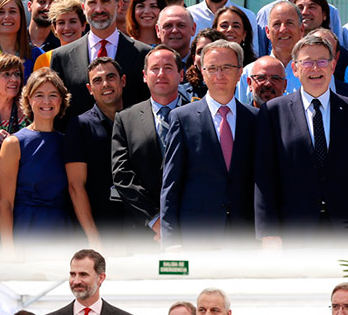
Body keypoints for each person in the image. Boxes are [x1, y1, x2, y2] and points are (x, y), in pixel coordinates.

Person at [254, 34, 348, 242]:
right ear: (294, 69)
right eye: (307, 62)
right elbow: (265, 177)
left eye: (322, 61)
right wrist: (268, 233)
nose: (315, 68)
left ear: (332, 66)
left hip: (347, 232)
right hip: (292, 232)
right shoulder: (273, 112)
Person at [160, 40, 257, 243]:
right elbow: (171, 184)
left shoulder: (255, 119)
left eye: (226, 67)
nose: (219, 75)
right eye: (212, 68)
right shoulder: (182, 118)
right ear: (202, 72)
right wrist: (170, 241)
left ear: (240, 72)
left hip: (245, 234)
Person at [50, 0, 149, 120]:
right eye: (92, 3)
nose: (98, 9)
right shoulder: (62, 57)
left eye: (105, 1)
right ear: (84, 8)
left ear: (119, 5)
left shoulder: (143, 54)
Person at [112, 45, 185, 238]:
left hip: (190, 227)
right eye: (155, 68)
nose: (161, 74)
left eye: (168, 67)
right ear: (145, 76)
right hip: (143, 229)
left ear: (181, 75)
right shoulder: (126, 119)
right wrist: (154, 220)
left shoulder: (198, 113)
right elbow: (122, 175)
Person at [0, 67, 71, 243]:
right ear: (28, 99)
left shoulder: (68, 142)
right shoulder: (14, 144)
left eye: (53, 94)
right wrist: (8, 250)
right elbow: (5, 203)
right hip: (26, 231)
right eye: (39, 95)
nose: (46, 101)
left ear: (61, 100)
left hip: (62, 232)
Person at [65, 56, 126, 240]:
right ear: (90, 89)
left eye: (110, 77)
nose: (105, 84)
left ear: (122, 81)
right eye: (97, 81)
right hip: (100, 229)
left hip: (136, 228)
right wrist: (94, 238)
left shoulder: (137, 119)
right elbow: (76, 186)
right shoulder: (79, 126)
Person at [0, 0, 42, 80]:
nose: (7, 17)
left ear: (21, 17)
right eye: (1, 12)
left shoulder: (37, 55)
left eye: (12, 11)